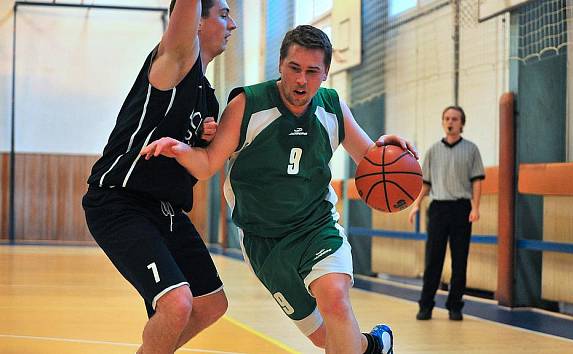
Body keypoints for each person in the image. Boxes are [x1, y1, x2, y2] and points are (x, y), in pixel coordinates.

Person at [141, 25, 417, 354]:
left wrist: (387, 148)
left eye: (312, 71)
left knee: (336, 302)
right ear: (280, 64)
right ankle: (374, 346)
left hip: (316, 226)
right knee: (323, 337)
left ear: (326, 72)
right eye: (294, 68)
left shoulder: (332, 108)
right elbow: (209, 164)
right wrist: (181, 150)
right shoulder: (248, 104)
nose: (302, 80)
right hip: (265, 242)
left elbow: (369, 159)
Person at [82, 1, 237, 353]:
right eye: (224, 14)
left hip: (167, 211)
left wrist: (199, 141)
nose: (232, 24)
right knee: (176, 303)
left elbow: (195, 164)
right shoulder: (177, 61)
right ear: (195, 22)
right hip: (120, 201)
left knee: (212, 304)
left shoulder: (207, 99)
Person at [407, 105, 484, 321]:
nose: (451, 122)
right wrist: (416, 205)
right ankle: (426, 306)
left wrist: (475, 207)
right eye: (447, 118)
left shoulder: (471, 150)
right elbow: (426, 184)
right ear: (443, 122)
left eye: (455, 119)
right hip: (438, 208)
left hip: (461, 208)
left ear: (462, 123)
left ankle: (455, 306)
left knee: (460, 260)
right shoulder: (432, 150)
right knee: (433, 259)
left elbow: (477, 181)